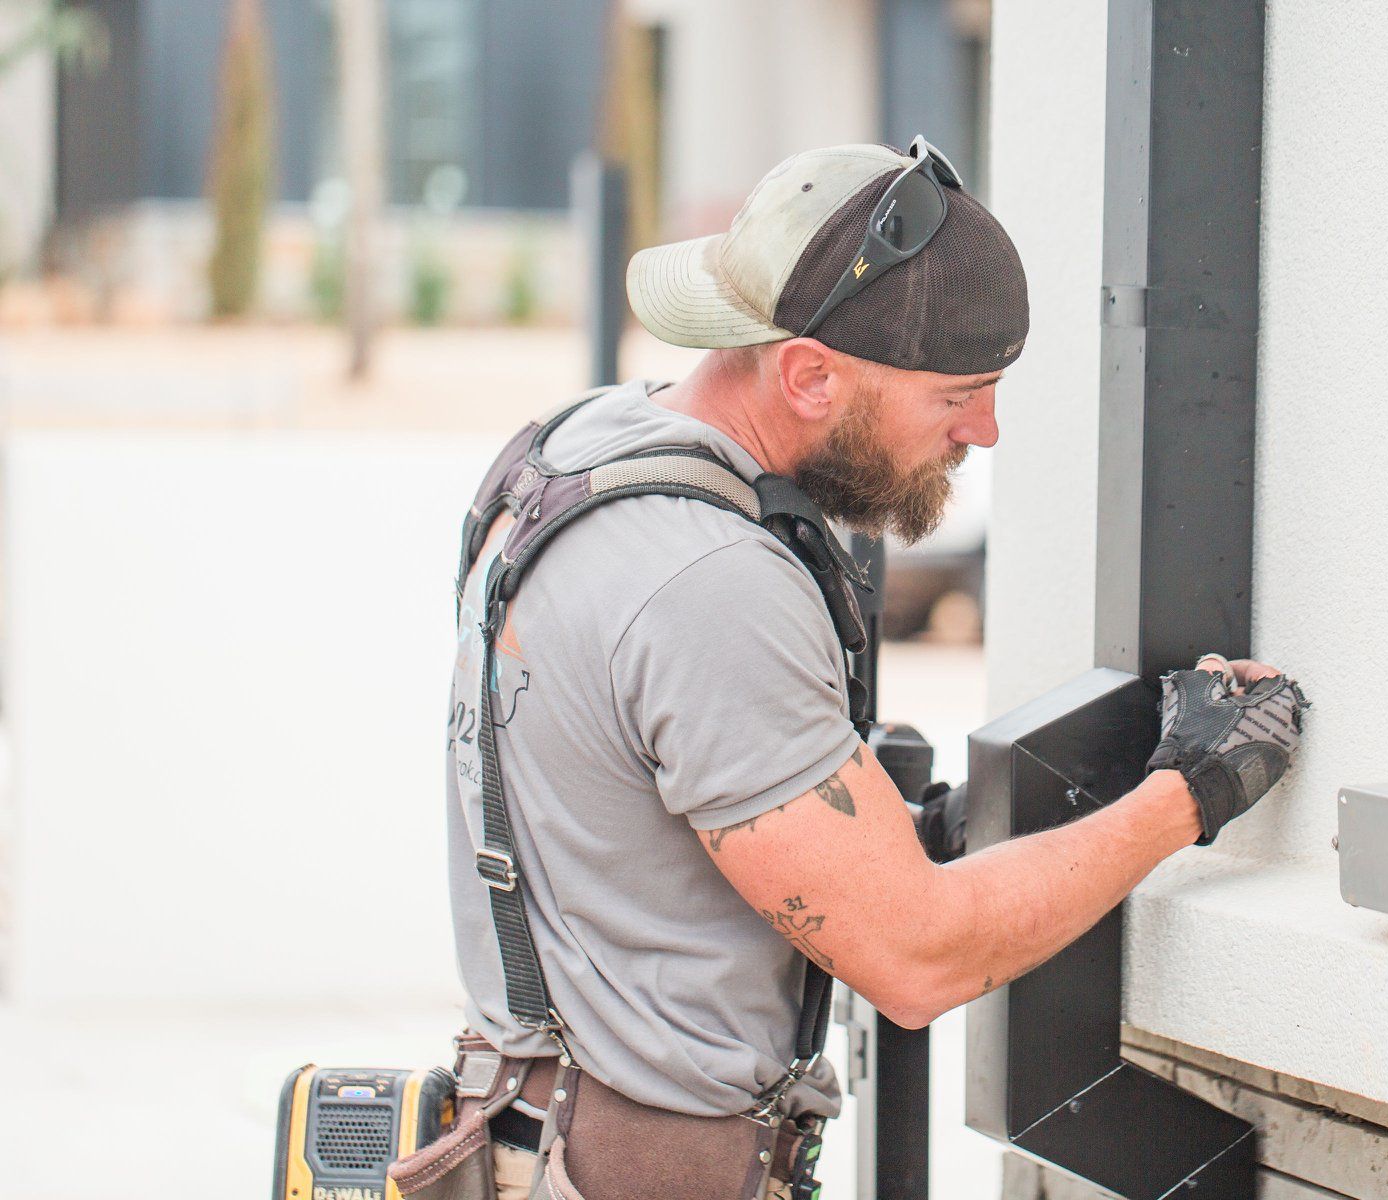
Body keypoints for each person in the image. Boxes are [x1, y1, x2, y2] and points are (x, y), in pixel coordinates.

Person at [438, 138, 1307, 1200]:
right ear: (809, 374)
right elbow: (915, 961)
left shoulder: (573, 452)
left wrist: (889, 833)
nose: (983, 432)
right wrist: (1193, 790)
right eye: (959, 396)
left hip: (535, 1125)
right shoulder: (709, 581)